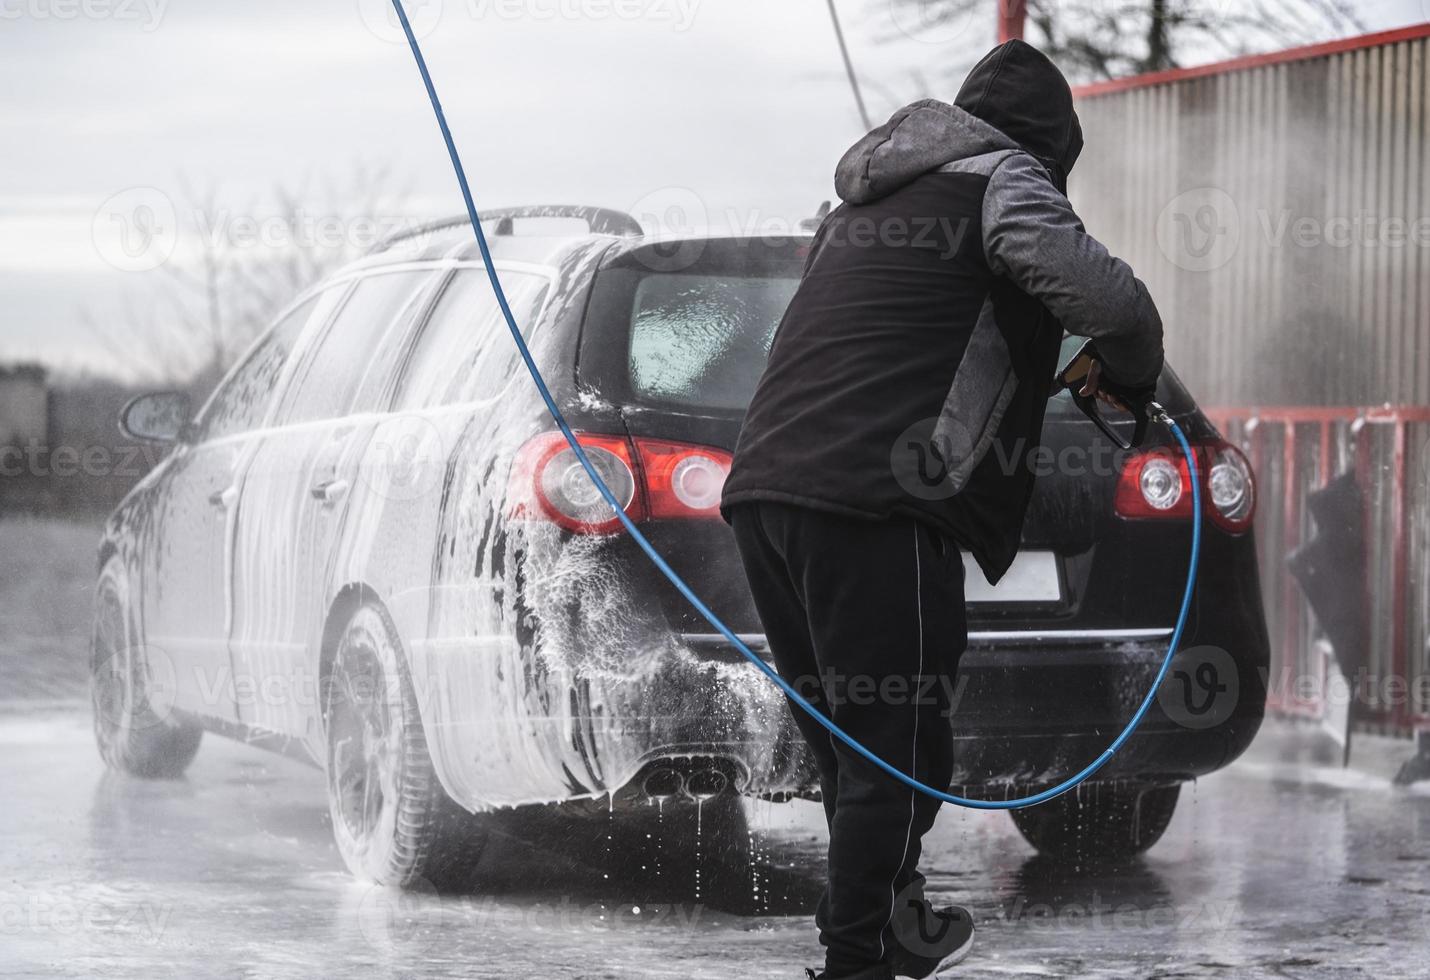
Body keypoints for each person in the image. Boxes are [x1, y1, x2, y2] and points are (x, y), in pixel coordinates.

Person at [719, 40, 1165, 980]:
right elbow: (1109, 300)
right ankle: (856, 959)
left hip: (766, 495)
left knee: (855, 742)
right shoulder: (1006, 179)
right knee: (895, 740)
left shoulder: (858, 209)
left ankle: (890, 922)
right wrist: (1129, 368)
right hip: (874, 503)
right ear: (1051, 146)